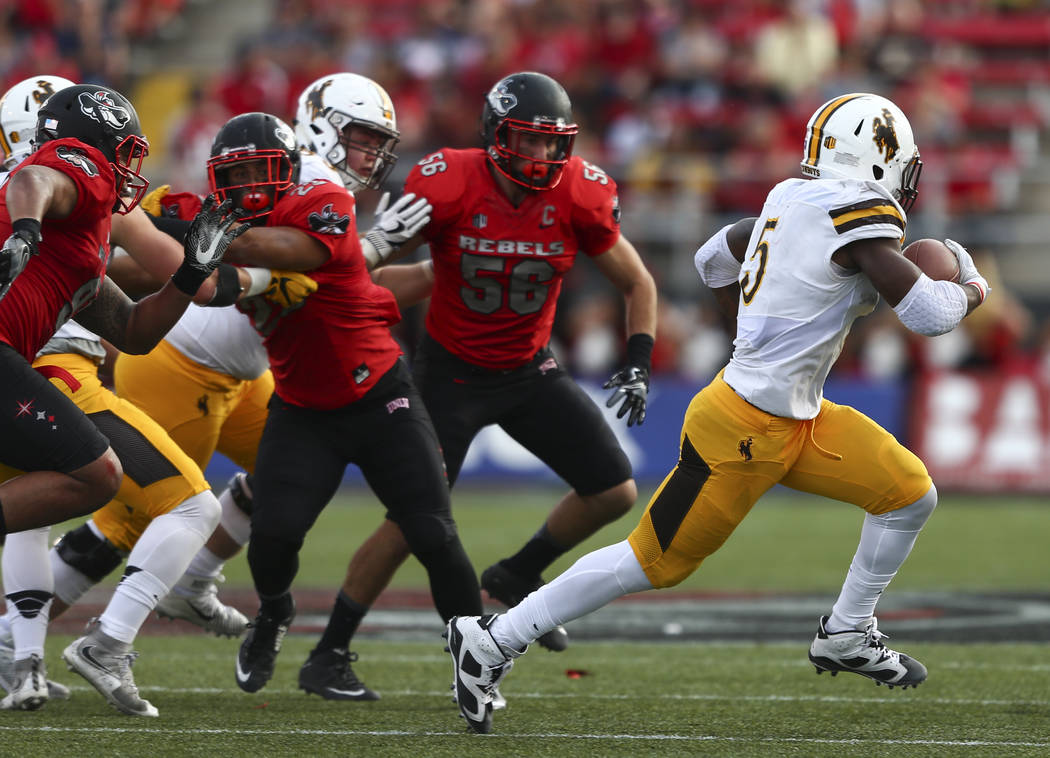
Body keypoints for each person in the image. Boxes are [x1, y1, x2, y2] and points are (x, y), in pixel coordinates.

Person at [442, 92, 990, 733]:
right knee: (652, 562)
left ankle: (845, 631)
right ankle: (494, 638)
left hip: (799, 417)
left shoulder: (789, 198)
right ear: (879, 159)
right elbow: (930, 316)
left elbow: (710, 262)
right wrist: (973, 282)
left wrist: (800, 282)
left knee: (908, 493)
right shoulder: (854, 212)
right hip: (743, 428)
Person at [306, 70, 657, 700]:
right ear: (496, 136)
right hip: (450, 374)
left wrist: (638, 356)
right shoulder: (447, 181)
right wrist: (377, 244)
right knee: (414, 519)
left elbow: (638, 281)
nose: (545, 155)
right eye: (529, 140)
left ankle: (513, 577)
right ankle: (329, 650)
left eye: (554, 142)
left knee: (613, 487)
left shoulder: (579, 193)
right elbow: (354, 269)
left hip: (527, 369)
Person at [200, 110, 481, 696]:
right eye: (238, 174)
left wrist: (207, 239)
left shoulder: (320, 195)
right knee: (273, 538)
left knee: (432, 530)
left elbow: (302, 252)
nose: (251, 186)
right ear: (218, 180)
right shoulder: (216, 223)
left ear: (288, 169)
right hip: (303, 406)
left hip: (379, 391)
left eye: (263, 171)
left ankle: (477, 653)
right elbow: (186, 279)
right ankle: (274, 614)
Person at [0, 82, 244, 713]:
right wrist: (23, 231)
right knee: (95, 473)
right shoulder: (69, 179)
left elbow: (134, 332)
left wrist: (191, 272)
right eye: (124, 153)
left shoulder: (80, 245)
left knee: (73, 479)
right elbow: (37, 182)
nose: (132, 169)